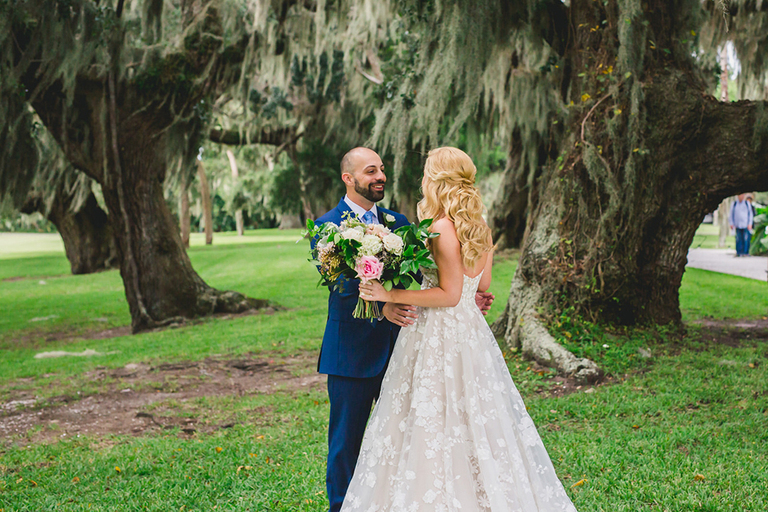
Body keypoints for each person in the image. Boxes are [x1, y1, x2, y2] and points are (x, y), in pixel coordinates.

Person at [349, 147, 577, 511]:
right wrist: (471, 295)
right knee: (471, 415)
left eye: (427, 172)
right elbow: (480, 286)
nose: (424, 179)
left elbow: (449, 295)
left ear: (437, 179)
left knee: (433, 416)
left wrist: (387, 293)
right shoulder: (479, 226)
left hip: (437, 333)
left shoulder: (441, 227)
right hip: (469, 332)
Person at [314, 147, 495, 512]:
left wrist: (463, 297)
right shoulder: (326, 226)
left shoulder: (400, 222)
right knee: (345, 444)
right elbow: (340, 284)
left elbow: (429, 274)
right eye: (371, 171)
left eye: (382, 169)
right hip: (351, 352)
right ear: (349, 178)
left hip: (407, 346)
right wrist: (384, 304)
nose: (380, 176)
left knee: (408, 437)